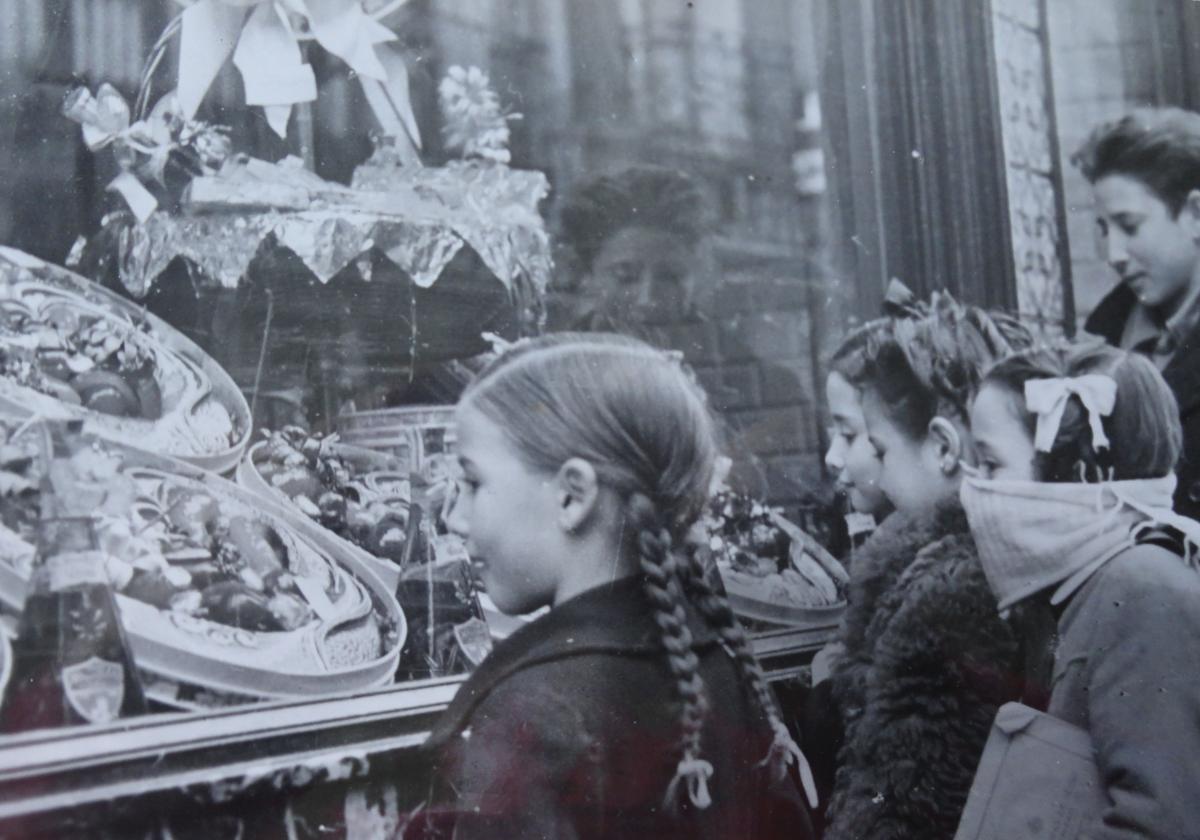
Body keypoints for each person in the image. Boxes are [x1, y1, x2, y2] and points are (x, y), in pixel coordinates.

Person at [416, 333, 816, 840]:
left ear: (572, 496)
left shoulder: (532, 712)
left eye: (473, 483)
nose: (454, 517)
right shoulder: (715, 658)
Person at [960, 343, 1200, 839]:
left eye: (991, 464)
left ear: (1077, 478)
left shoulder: (1142, 591)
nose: (975, 488)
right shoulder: (1084, 588)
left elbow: (1161, 822)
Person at [822, 290, 1031, 840]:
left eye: (878, 447)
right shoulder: (950, 569)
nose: (878, 472)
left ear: (943, 449)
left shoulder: (947, 597)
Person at [1073, 107, 1200, 519]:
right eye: (1104, 230)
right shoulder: (1100, 335)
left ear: (1195, 214)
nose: (1113, 255)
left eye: (1129, 226)